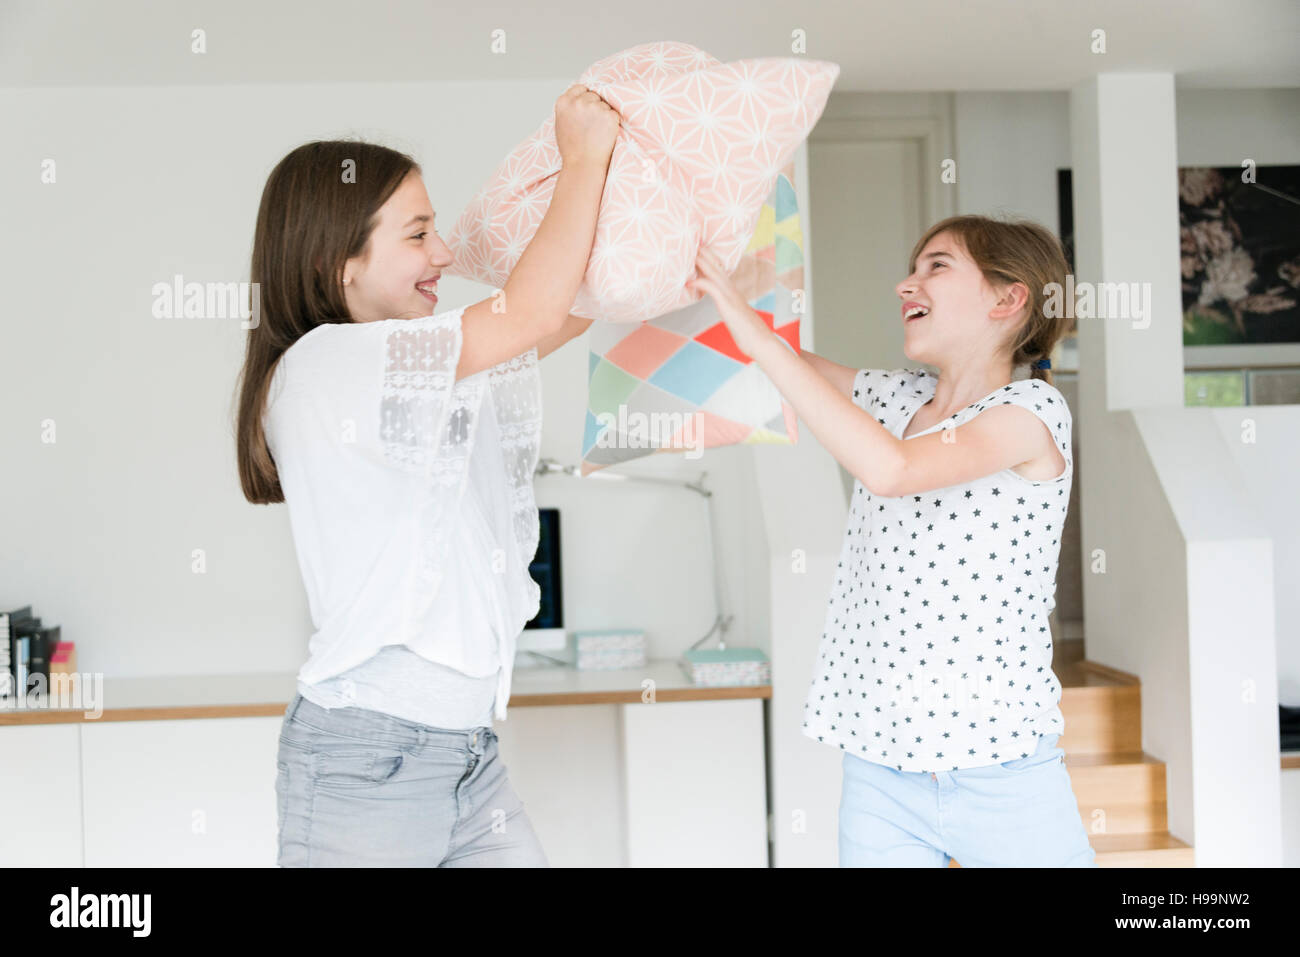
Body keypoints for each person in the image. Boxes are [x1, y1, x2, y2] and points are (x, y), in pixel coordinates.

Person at [233, 85, 619, 866]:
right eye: (418, 233)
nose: (444, 254)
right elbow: (531, 314)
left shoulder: (414, 373)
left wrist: (682, 258)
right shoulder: (324, 365)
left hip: (463, 759)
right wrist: (583, 159)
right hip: (366, 764)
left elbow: (565, 310)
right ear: (333, 262)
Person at [687, 213, 1097, 866]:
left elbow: (892, 470)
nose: (906, 284)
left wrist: (755, 337)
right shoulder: (892, 396)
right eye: (913, 268)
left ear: (1008, 296)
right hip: (882, 768)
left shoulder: (1031, 412)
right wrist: (698, 279)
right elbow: (771, 360)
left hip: (1003, 772)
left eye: (936, 266)